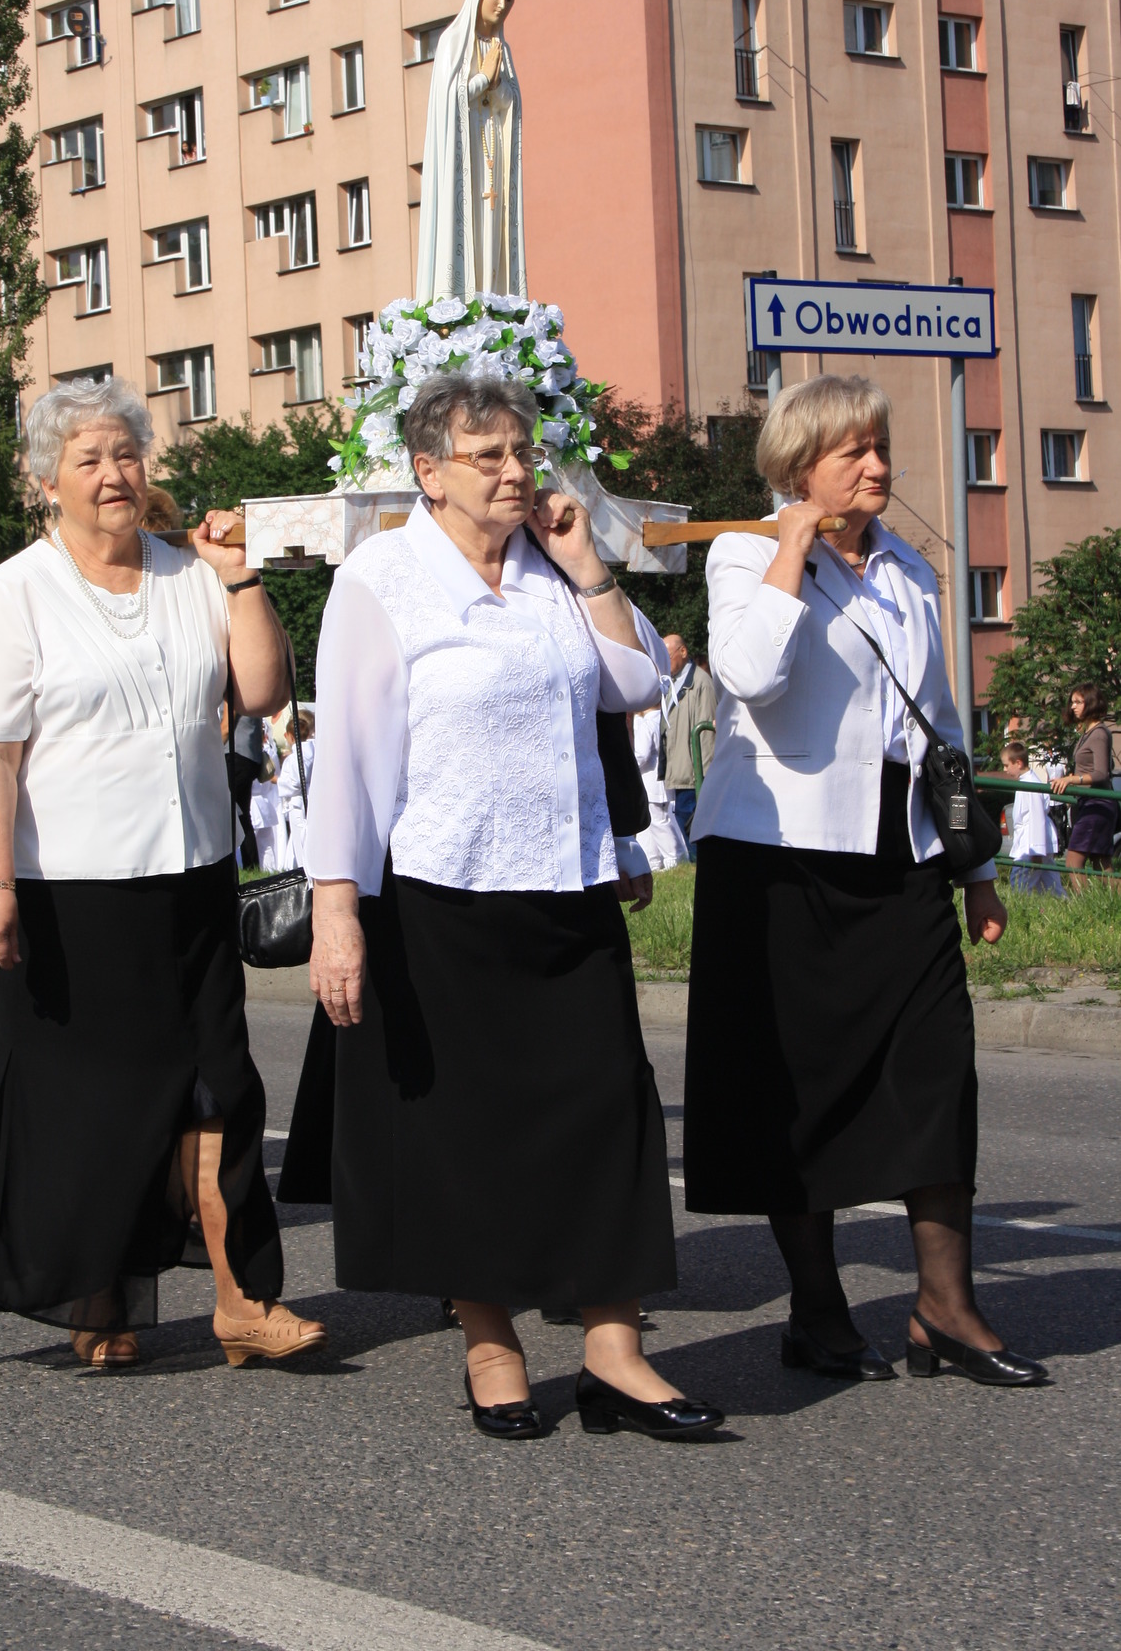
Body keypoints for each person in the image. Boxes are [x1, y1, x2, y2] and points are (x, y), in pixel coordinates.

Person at [306, 371, 724, 1443]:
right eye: (486, 455)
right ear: (428, 471)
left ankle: (614, 1353)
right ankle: (490, 1344)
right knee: (465, 1131)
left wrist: (588, 565)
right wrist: (336, 909)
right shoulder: (382, 579)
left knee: (606, 1113)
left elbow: (635, 684)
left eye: (521, 452)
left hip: (566, 885)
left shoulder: (549, 569)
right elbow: (346, 757)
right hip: (440, 892)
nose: (512, 471)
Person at [0, 375, 325, 1373]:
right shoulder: (15, 592)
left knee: (219, 1085)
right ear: (45, 480)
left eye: (127, 455)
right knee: (97, 1108)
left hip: (191, 880)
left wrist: (240, 578)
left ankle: (242, 1299)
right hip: (72, 893)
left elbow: (262, 689)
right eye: (89, 458)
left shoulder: (191, 575)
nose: (113, 475)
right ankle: (96, 1292)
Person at [684, 374, 1046, 1388]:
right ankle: (817, 1309)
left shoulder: (905, 567)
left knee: (936, 1073)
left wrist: (975, 866)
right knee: (794, 1091)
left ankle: (946, 1307)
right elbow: (749, 675)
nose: (878, 465)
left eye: (880, 445)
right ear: (800, 465)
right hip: (778, 859)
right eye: (854, 451)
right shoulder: (744, 553)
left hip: (900, 855)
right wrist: (791, 548)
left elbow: (940, 726)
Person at [415, 0, 526, 302]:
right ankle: (459, 301)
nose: (503, 5)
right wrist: (483, 79)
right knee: (467, 221)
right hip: (463, 152)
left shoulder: (502, 49)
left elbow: (509, 102)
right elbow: (448, 100)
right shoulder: (453, 42)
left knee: (492, 225)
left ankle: (492, 300)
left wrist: (498, 85)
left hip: (492, 146)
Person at [1051, 682, 1115, 886]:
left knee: (1073, 862)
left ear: (1091, 703)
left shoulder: (1099, 734)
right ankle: (1111, 903)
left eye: (1078, 702)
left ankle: (1084, 903)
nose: (1073, 706)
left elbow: (1101, 773)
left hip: (1098, 804)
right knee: (1101, 863)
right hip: (1089, 802)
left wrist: (1072, 779)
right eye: (1072, 702)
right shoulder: (1087, 733)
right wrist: (1072, 777)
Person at [660, 633, 714, 859]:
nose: (664, 663)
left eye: (667, 656)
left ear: (683, 652)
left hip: (694, 773)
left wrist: (704, 775)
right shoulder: (673, 684)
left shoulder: (700, 683)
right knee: (682, 817)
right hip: (679, 769)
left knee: (692, 821)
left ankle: (698, 863)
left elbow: (706, 733)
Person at [1001, 741, 1064, 896]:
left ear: (1018, 763)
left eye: (1007, 765)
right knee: (1051, 884)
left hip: (1031, 845)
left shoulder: (1030, 784)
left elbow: (1037, 818)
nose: (1004, 770)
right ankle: (1064, 902)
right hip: (1032, 842)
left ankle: (1021, 907)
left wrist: (1036, 850)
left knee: (1019, 882)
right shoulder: (1027, 782)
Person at [631, 701, 687, 872]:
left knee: (659, 822)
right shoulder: (664, 720)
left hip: (651, 781)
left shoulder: (647, 724)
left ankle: (674, 857)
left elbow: (641, 755)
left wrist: (628, 767)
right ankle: (652, 861)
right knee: (649, 825)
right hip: (660, 780)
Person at [278, 710, 314, 871]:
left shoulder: (296, 757)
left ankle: (303, 871)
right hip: (309, 799)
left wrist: (280, 783)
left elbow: (296, 781)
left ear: (291, 736)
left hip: (298, 803)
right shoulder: (313, 750)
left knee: (301, 842)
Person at [230, 714, 266, 870]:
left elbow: (227, 726)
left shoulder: (238, 701)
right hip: (250, 756)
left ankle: (232, 865)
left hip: (236, 753)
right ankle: (251, 865)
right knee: (243, 815)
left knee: (227, 811)